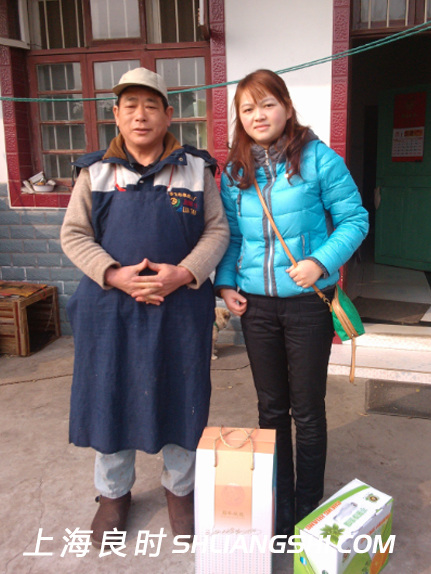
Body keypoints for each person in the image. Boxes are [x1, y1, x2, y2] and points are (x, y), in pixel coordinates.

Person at [61, 67, 229, 547]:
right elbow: (74, 234)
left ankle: (180, 490)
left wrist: (185, 273)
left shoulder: (196, 169)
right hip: (110, 311)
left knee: (182, 397)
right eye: (130, 106)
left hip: (179, 310)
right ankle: (113, 494)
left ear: (168, 115)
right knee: (110, 397)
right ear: (115, 115)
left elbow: (217, 230)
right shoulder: (95, 171)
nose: (140, 116)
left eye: (151, 106)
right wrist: (115, 274)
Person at [214, 69, 369, 536]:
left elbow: (355, 219)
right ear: (240, 117)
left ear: (285, 106)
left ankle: (307, 503)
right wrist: (226, 284)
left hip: (307, 305)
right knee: (270, 409)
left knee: (307, 409)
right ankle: (279, 502)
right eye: (248, 108)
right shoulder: (235, 171)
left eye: (267, 104)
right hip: (256, 308)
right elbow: (233, 237)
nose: (258, 115)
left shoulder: (319, 159)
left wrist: (320, 262)